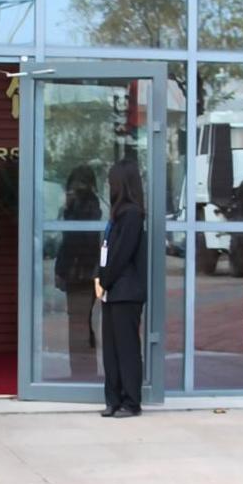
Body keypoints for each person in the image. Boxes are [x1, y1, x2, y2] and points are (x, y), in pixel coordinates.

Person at [94, 158, 147, 417]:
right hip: (112, 292)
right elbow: (107, 251)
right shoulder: (117, 215)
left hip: (126, 292)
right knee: (111, 350)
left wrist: (104, 280)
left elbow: (121, 254)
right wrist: (99, 276)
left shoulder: (132, 215)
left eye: (111, 181)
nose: (108, 186)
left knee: (126, 349)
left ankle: (131, 401)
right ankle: (113, 399)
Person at [54, 165, 102, 381]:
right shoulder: (92, 204)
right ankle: (86, 371)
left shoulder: (82, 206)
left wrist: (61, 270)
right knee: (85, 323)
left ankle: (81, 373)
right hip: (87, 271)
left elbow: (72, 242)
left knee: (78, 324)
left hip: (80, 272)